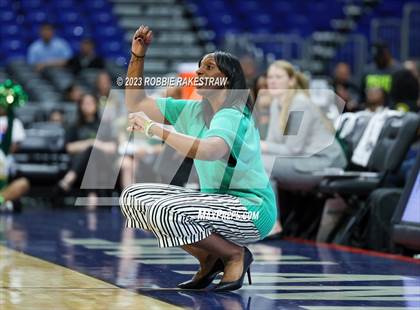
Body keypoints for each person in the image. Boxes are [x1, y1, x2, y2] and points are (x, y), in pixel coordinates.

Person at [119, 25, 277, 291]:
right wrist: (138, 56)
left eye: (209, 67)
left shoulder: (233, 113)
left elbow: (209, 150)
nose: (199, 72)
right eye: (199, 67)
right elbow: (136, 104)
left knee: (165, 209)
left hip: (251, 210)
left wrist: (154, 128)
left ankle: (235, 254)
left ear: (226, 79)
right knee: (134, 199)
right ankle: (209, 258)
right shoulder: (193, 110)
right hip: (216, 206)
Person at [261, 60, 347, 190]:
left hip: (324, 162)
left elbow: (292, 150)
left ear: (291, 81)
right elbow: (273, 142)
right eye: (270, 77)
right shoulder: (275, 104)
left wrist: (261, 145)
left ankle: (269, 211)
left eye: (278, 77)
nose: (272, 81)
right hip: (302, 159)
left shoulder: (299, 104)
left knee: (261, 164)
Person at [56, 94, 117, 206]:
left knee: (92, 151)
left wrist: (93, 144)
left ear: (96, 105)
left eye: (91, 103)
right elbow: (69, 148)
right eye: (85, 103)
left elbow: (112, 148)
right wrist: (89, 143)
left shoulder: (104, 125)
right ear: (80, 106)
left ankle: (70, 178)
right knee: (90, 154)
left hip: (103, 164)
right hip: (82, 166)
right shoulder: (74, 126)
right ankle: (92, 196)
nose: (88, 106)